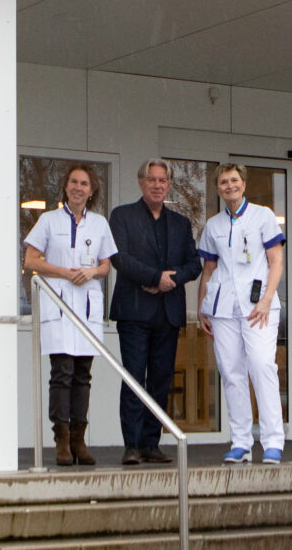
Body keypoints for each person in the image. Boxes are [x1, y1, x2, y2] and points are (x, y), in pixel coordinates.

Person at [108, 158, 201, 466]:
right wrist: (154, 278)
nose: (157, 185)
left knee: (161, 379)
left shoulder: (180, 223)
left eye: (162, 180)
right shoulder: (122, 216)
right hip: (134, 312)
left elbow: (194, 264)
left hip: (168, 314)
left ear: (169, 184)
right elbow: (119, 258)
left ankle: (151, 443)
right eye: (152, 179)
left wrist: (169, 280)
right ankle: (132, 445)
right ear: (141, 182)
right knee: (134, 378)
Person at [23, 164, 116, 466]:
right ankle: (61, 440)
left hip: (86, 304)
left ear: (92, 190)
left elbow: (106, 265)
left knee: (83, 375)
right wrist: (65, 272)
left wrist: (92, 272)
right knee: (62, 373)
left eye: (84, 183)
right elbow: (31, 260)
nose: (78, 187)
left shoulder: (99, 223)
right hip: (59, 302)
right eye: (73, 182)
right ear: (65, 187)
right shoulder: (48, 220)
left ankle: (79, 439)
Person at [196, 163, 286, 464]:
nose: (229, 186)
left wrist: (266, 299)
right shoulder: (213, 225)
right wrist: (203, 307)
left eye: (234, 180)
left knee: (262, 366)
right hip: (223, 309)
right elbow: (208, 270)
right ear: (218, 188)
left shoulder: (263, 216)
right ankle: (241, 442)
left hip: (258, 307)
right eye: (223, 182)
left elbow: (276, 261)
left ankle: (273, 441)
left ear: (244, 184)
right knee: (231, 372)